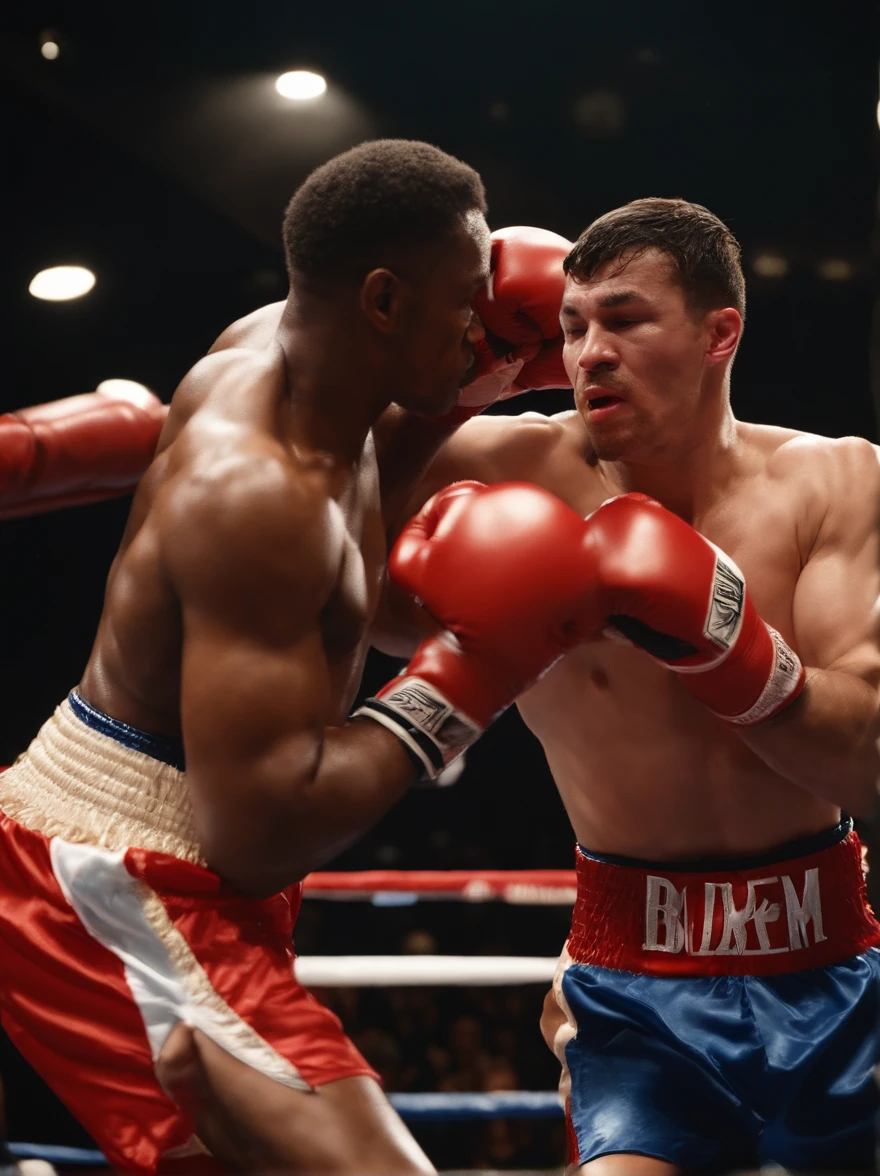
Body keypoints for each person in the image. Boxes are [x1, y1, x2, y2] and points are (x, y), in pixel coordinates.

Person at [0, 140, 579, 1175]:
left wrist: (467, 384)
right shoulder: (259, 500)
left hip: (158, 847)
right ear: (385, 300)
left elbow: (358, 524)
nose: (481, 322)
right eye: (465, 302)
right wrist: (480, 667)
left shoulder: (295, 358)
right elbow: (262, 830)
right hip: (131, 877)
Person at [378, 198, 880, 1173]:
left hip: (831, 959)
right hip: (633, 975)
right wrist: (434, 408)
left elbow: (865, 755)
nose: (586, 354)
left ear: (716, 333)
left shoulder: (836, 483)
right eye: (569, 329)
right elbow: (317, 572)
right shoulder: (503, 470)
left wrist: (722, 644)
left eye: (623, 319)